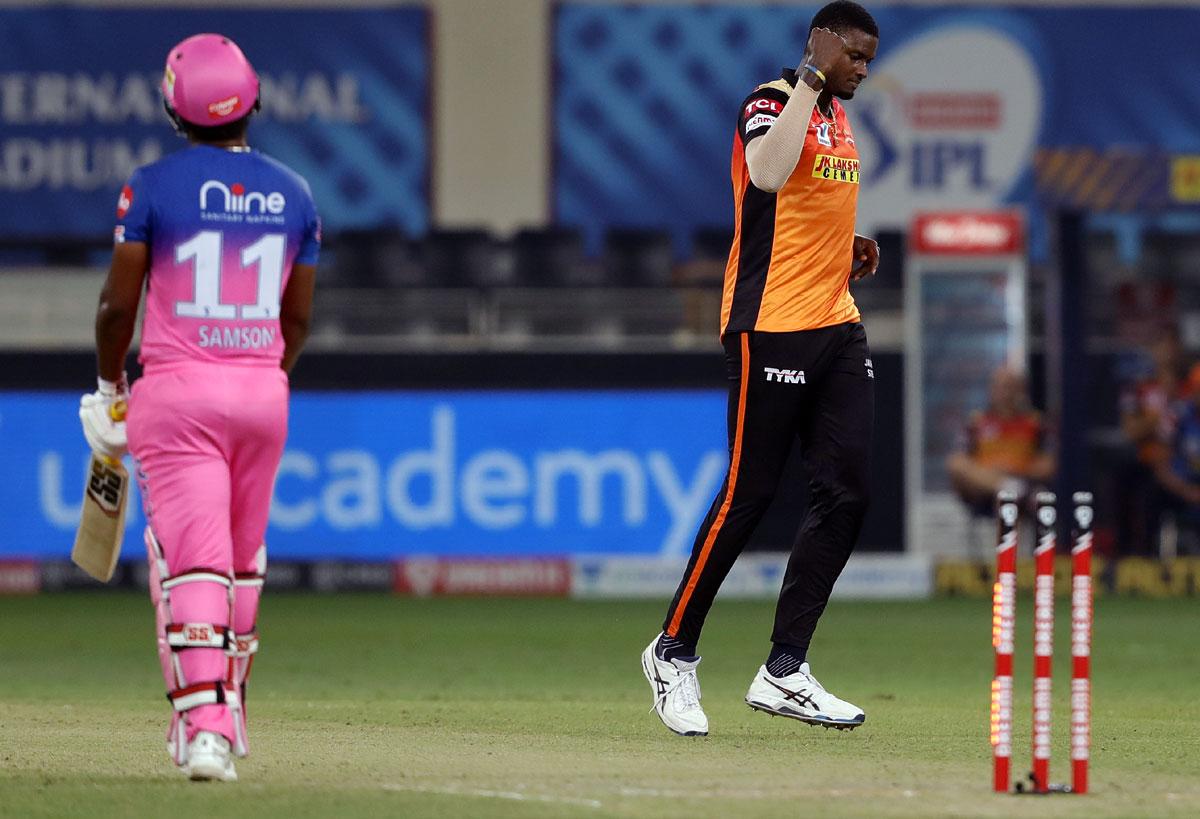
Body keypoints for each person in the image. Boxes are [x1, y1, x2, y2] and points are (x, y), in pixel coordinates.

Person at [78, 34, 320, 781]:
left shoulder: (151, 185)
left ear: (172, 108)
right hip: (262, 393)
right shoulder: (296, 193)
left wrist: (111, 388)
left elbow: (119, 306)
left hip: (179, 391)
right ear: (254, 100)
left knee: (195, 564)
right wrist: (260, 377)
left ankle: (207, 729)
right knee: (242, 566)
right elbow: (299, 320)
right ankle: (227, 709)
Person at [640, 1, 881, 737]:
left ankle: (784, 668)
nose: (863, 71)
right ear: (820, 45)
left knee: (848, 491)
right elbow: (769, 176)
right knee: (750, 494)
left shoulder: (838, 117)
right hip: (767, 326)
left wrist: (847, 247)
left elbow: (806, 208)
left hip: (835, 324)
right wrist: (809, 80)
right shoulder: (773, 100)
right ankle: (672, 650)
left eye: (870, 59)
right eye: (854, 56)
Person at [945, 367, 1056, 517]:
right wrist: (993, 475)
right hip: (984, 487)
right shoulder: (976, 423)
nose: (1005, 393)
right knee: (955, 464)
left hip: (1023, 480)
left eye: (1010, 387)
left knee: (1008, 496)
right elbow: (960, 461)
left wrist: (1011, 468)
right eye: (1000, 387)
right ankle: (1009, 487)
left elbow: (1048, 465)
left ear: (1021, 390)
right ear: (991, 390)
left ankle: (1012, 488)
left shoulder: (1036, 423)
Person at [1117, 327, 1186, 554]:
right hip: (1148, 463)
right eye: (1162, 346)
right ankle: (1131, 556)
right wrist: (1159, 410)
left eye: (1172, 346)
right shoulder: (1138, 387)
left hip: (1184, 463)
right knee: (1128, 481)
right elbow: (1131, 430)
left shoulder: (1191, 385)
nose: (1168, 352)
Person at [1153, 363, 1200, 555]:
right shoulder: (1175, 415)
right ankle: (1151, 559)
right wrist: (1186, 491)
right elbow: (1160, 463)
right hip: (1180, 484)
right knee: (1152, 495)